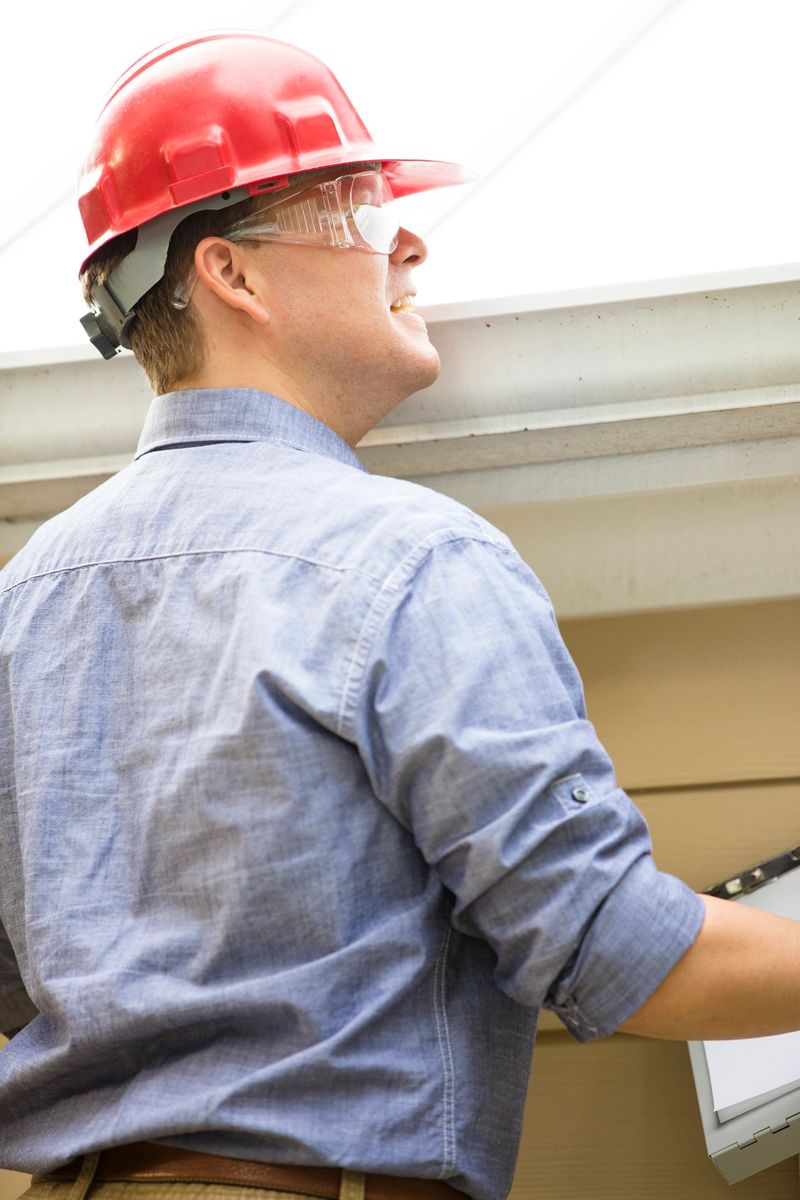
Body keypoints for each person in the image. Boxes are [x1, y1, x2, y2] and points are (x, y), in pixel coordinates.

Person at [2, 28, 800, 1200]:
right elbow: (610, 946)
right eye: (360, 210)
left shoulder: (22, 602)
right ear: (230, 273)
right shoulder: (408, 561)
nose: (410, 241)